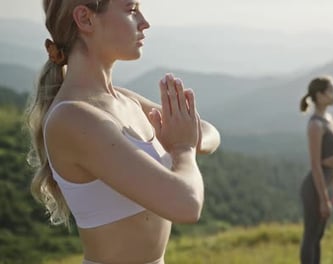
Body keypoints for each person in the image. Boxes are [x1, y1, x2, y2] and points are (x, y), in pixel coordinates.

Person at [26, 1, 220, 263]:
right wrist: (182, 148)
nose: (144, 22)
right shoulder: (72, 118)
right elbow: (187, 204)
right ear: (85, 18)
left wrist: (185, 137)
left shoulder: (125, 101)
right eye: (131, 10)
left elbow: (209, 132)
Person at [299, 76, 333, 264]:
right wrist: (324, 200)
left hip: (325, 183)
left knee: (318, 236)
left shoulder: (328, 119)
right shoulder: (315, 125)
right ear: (320, 95)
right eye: (331, 90)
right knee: (311, 236)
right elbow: (315, 164)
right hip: (314, 189)